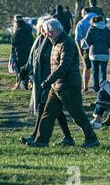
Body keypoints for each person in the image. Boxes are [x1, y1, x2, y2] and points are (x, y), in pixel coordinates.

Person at [26, 19, 99, 148]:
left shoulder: (67, 44)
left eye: (48, 32)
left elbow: (63, 67)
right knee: (47, 114)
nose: (46, 35)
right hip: (57, 86)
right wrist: (51, 83)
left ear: (55, 31)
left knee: (77, 114)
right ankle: (41, 141)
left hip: (68, 85)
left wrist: (48, 81)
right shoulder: (56, 43)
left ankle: (91, 139)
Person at [19, 16, 74, 146]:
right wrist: (26, 69)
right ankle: (68, 137)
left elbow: (56, 63)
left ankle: (37, 137)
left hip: (50, 80)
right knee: (55, 111)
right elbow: (33, 57)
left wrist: (49, 80)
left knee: (44, 108)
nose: (45, 32)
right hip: (41, 79)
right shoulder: (40, 40)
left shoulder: (53, 41)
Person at [84, 15, 110, 93]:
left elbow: (87, 40)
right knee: (103, 71)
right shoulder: (106, 29)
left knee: (95, 71)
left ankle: (96, 88)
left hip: (94, 52)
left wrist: (91, 45)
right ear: (102, 20)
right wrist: (107, 46)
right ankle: (103, 87)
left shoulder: (92, 28)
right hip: (104, 52)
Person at [75, 8, 96, 92]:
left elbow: (77, 39)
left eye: (82, 13)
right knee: (96, 67)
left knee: (86, 67)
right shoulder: (98, 20)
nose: (81, 15)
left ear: (85, 13)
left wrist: (79, 50)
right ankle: (97, 86)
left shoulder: (81, 23)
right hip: (97, 47)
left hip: (86, 48)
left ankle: (85, 86)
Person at [11, 15, 34, 90]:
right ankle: (30, 85)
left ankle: (23, 88)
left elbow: (14, 43)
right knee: (29, 70)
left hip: (20, 55)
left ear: (15, 22)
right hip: (29, 53)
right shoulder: (28, 29)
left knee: (21, 72)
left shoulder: (17, 32)